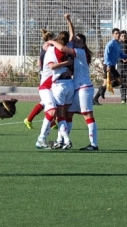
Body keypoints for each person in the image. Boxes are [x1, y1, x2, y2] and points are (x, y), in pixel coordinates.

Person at [47, 14, 99, 151]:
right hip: (76, 88)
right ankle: (61, 141)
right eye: (75, 41)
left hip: (84, 88)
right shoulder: (77, 50)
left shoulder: (81, 52)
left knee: (87, 115)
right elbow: (71, 35)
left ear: (82, 44)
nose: (74, 42)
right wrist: (69, 21)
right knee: (67, 114)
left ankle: (93, 144)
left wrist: (51, 41)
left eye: (77, 41)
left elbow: (63, 48)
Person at [35, 31, 73, 149]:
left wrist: (69, 21)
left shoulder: (62, 48)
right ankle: (41, 139)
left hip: (54, 86)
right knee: (52, 112)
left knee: (56, 113)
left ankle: (56, 140)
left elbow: (70, 37)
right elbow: (51, 66)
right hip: (45, 87)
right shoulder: (51, 50)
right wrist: (67, 63)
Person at [24, 29, 57, 130]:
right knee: (48, 101)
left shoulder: (45, 47)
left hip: (45, 74)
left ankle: (49, 122)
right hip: (47, 76)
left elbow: (39, 63)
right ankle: (32, 120)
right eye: (54, 38)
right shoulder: (49, 47)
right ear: (50, 39)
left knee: (47, 100)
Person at [93, 28, 127, 105]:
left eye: (118, 33)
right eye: (116, 33)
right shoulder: (110, 43)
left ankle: (96, 97)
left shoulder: (118, 44)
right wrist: (108, 64)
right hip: (108, 66)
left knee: (107, 83)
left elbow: (120, 54)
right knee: (119, 81)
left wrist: (125, 57)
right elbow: (106, 55)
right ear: (113, 34)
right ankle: (102, 90)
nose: (118, 35)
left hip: (112, 66)